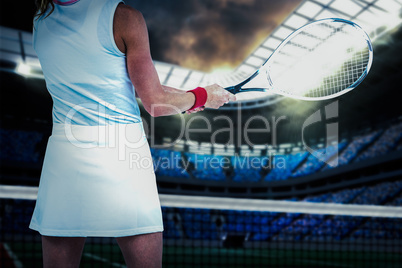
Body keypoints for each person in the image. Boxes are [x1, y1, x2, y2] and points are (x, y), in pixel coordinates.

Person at [29, 0, 235, 267]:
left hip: (65, 153)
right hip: (122, 152)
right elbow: (153, 101)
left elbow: (122, 81)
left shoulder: (41, 20)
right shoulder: (124, 17)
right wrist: (204, 96)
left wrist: (190, 98)